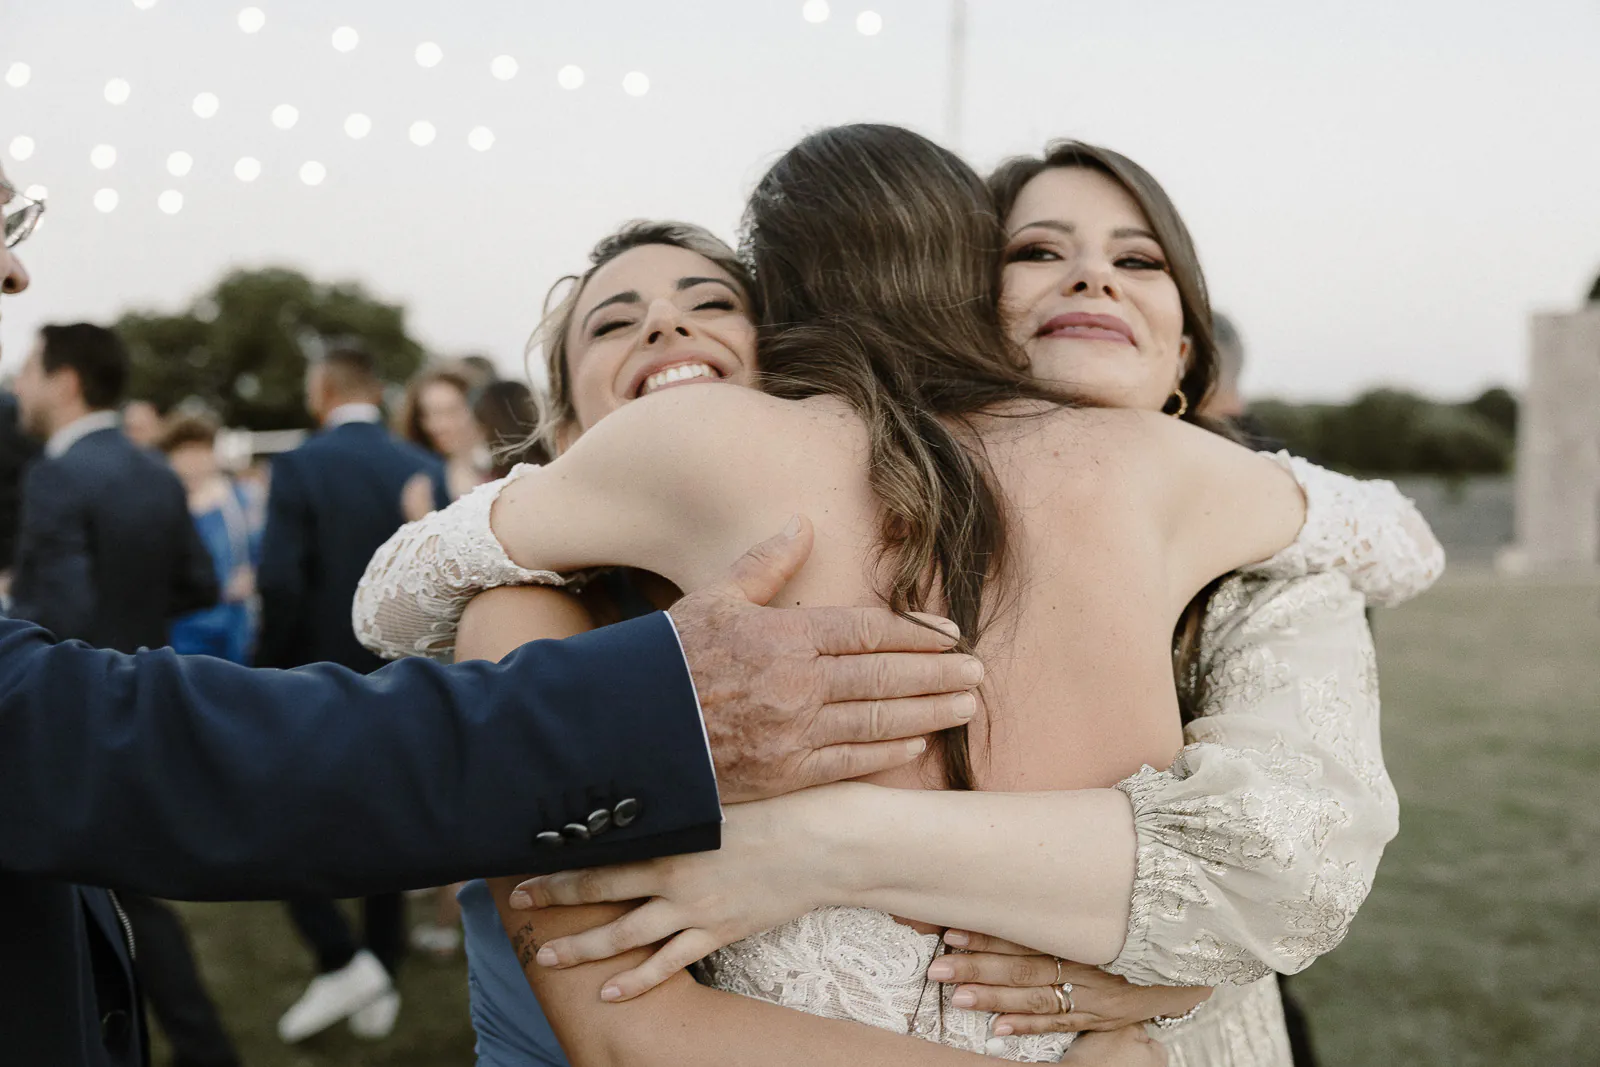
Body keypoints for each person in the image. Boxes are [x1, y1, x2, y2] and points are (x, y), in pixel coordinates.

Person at [360, 132, 1439, 1065]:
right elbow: (1399, 543)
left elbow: (390, 596)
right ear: (974, 275)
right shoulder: (1166, 464)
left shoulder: (688, 448)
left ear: (772, 300)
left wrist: (562, 522)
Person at [0, 162, 980, 1067]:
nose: (665, 330)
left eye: (712, 301)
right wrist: (669, 703)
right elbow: (630, 1028)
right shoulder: (527, 607)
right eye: (612, 322)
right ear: (562, 427)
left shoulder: (926, 566)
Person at [9, 324, 243, 1067]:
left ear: (66, 381)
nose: (20, 384)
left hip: (70, 722)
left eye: (30, 370)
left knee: (85, 909)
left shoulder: (57, 475)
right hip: (138, 698)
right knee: (126, 898)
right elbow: (198, 583)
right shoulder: (152, 470)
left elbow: (58, 618)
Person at [258, 346, 456, 1041]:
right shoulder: (423, 465)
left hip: (316, 674)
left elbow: (280, 581)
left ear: (324, 389)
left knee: (276, 815)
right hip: (407, 675)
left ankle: (345, 957)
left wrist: (264, 666)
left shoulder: (301, 464)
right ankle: (381, 973)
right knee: (383, 826)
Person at [161, 411, 263, 664]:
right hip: (180, 632)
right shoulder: (162, 505)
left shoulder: (239, 501)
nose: (194, 462)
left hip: (232, 630)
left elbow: (262, 552)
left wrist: (253, 574)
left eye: (201, 451)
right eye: (185, 452)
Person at [397, 364, 492, 500]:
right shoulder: (421, 485)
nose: (437, 426)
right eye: (426, 414)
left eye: (451, 411)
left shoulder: (508, 466)